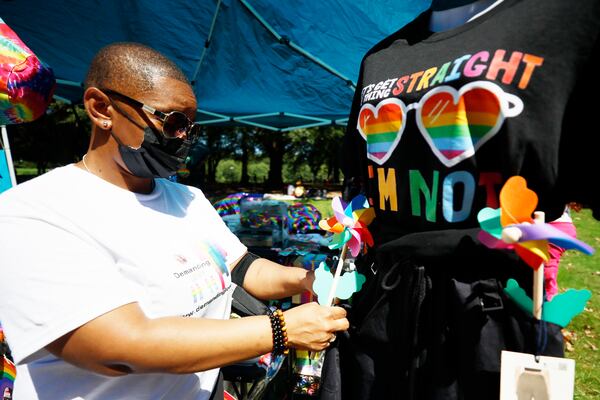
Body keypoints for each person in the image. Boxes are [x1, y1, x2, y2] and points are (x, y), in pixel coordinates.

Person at [0, 42, 349, 399]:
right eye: (173, 122)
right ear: (101, 108)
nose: (183, 138)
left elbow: (242, 268)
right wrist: (280, 329)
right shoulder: (34, 212)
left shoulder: (188, 200)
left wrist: (314, 278)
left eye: (191, 127)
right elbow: (118, 347)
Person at [341, 0, 600, 398]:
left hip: (493, 322)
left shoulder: (571, 19)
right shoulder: (379, 59)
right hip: (382, 317)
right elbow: (360, 186)